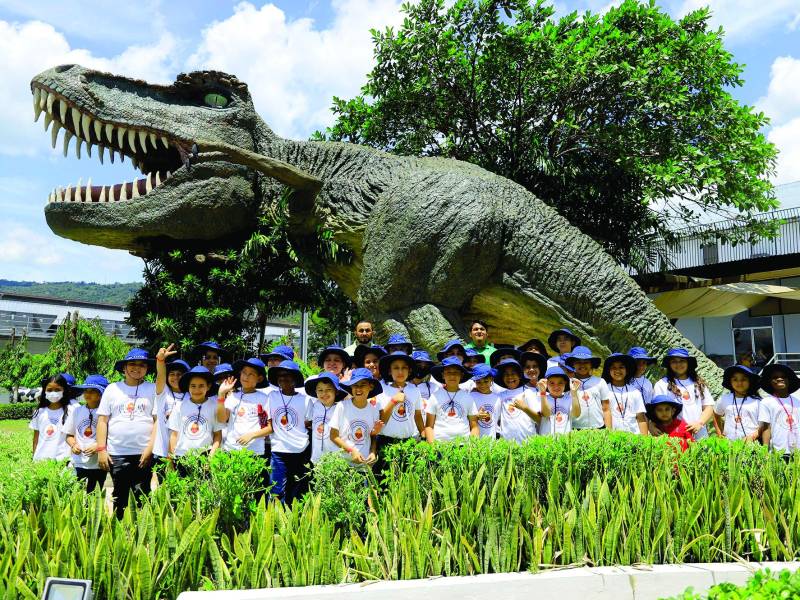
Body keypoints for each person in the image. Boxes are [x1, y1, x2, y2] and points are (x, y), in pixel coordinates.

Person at [96, 348, 157, 519]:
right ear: (124, 368)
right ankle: (119, 533)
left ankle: (141, 533)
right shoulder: (112, 389)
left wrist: (149, 449)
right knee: (120, 494)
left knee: (142, 495)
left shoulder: (152, 389)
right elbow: (102, 421)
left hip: (143, 453)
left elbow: (157, 421)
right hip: (117, 453)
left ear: (147, 369)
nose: (137, 368)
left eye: (142, 365)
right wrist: (101, 449)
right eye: (132, 364)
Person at [265, 360, 312, 504]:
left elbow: (308, 422)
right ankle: (275, 522)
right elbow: (269, 420)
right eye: (280, 376)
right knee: (276, 490)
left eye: (288, 376)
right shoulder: (272, 396)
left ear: (295, 379)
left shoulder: (305, 400)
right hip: (278, 450)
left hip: (300, 451)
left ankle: (293, 522)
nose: (284, 379)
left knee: (297, 490)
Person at [375, 351, 424, 476]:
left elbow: (417, 416)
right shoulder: (383, 389)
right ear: (390, 371)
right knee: (384, 482)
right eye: (396, 368)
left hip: (407, 441)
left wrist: (423, 437)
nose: (400, 372)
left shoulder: (414, 390)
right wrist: (393, 401)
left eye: (404, 368)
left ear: (409, 371)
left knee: (405, 480)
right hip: (386, 441)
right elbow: (382, 420)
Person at [168, 366, 223, 473]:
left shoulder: (214, 406)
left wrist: (211, 456)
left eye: (201, 386)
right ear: (188, 387)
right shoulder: (179, 406)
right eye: (193, 386)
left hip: (205, 456)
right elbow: (174, 435)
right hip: (182, 456)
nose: (197, 390)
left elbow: (218, 435)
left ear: (208, 386)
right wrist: (170, 460)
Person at [653, 348, 714, 439]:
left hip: (700, 434)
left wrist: (699, 423)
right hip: (674, 436)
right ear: (669, 364)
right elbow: (656, 409)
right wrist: (651, 425)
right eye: (674, 361)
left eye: (682, 361)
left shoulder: (698, 383)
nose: (678, 364)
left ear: (688, 363)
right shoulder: (662, 384)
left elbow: (709, 407)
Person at [215, 358, 271, 456]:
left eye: (251, 374)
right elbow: (221, 419)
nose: (246, 377)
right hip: (230, 449)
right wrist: (221, 395)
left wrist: (252, 435)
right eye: (244, 372)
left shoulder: (264, 399)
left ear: (259, 378)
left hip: (254, 452)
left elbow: (270, 428)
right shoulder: (233, 396)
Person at [330, 368, 384, 468]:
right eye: (355, 385)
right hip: (343, 465)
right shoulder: (342, 406)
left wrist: (372, 452)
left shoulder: (373, 410)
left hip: (364, 465)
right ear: (351, 387)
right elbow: (334, 436)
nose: (358, 388)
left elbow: (373, 436)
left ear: (371, 386)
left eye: (363, 384)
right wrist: (351, 451)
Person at [64, 374, 109, 492]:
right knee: (76, 495)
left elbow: (112, 436)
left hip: (98, 464)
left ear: (102, 394)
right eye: (86, 390)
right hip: (78, 462)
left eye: (93, 391)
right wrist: (73, 445)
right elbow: (68, 435)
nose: (88, 394)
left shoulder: (106, 413)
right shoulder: (77, 411)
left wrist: (98, 446)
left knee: (94, 496)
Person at [152, 350, 190, 479]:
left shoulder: (191, 395)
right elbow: (160, 376)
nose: (175, 377)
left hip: (184, 452)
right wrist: (161, 361)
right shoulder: (163, 393)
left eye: (180, 374)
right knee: (165, 493)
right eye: (172, 374)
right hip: (162, 452)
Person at [425, 357, 478, 442]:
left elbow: (474, 426)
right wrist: (433, 447)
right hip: (439, 445)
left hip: (463, 445)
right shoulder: (435, 397)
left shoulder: (468, 398)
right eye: (448, 372)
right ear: (443, 375)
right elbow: (429, 426)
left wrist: (471, 447)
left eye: (456, 372)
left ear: (461, 375)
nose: (452, 376)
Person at [495, 358, 549, 442]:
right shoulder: (500, 396)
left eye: (513, 374)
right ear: (502, 377)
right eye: (506, 374)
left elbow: (539, 420)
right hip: (507, 444)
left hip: (528, 442)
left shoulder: (528, 392)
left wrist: (524, 408)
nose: (510, 377)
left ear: (520, 376)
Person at [305, 372, 347, 465]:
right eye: (320, 390)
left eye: (329, 389)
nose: (324, 393)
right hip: (316, 458)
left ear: (336, 391)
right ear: (315, 391)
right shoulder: (314, 405)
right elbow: (308, 422)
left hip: (335, 459)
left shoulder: (341, 408)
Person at [758, 364, 800, 455]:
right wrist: (765, 451)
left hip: (798, 450)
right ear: (770, 382)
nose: (780, 379)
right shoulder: (766, 402)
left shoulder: (797, 401)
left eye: (784, 377)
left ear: (789, 381)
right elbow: (766, 428)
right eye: (775, 377)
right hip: (778, 451)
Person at [565, 346, 611, 430]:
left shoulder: (600, 382)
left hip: (598, 428)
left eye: (586, 362)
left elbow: (606, 408)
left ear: (591, 364)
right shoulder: (567, 383)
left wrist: (609, 431)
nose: (582, 365)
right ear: (573, 364)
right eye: (578, 362)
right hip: (574, 428)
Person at [601, 353, 647, 434]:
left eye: (621, 367)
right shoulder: (604, 389)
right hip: (611, 437)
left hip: (634, 437)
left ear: (627, 370)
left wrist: (645, 441)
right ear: (609, 370)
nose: (617, 370)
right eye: (613, 367)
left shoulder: (635, 392)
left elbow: (641, 419)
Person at [30, 374, 73, 461]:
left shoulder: (70, 411)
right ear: (44, 391)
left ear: (64, 390)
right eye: (49, 390)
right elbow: (36, 438)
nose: (53, 393)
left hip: (62, 461)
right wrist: (34, 457)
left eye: (57, 390)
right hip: (40, 460)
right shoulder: (39, 412)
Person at [713, 365, 761, 442]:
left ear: (750, 381)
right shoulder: (724, 399)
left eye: (743, 379)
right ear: (730, 382)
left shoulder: (758, 401)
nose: (739, 382)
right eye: (735, 379)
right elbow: (716, 415)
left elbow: (765, 424)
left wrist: (753, 436)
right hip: (729, 444)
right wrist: (719, 434)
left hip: (751, 444)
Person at [538, 366, 581, 436]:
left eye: (560, 383)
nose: (556, 387)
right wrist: (543, 393)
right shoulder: (541, 398)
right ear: (546, 384)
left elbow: (576, 415)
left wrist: (574, 394)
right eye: (552, 383)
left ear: (565, 383)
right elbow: (546, 414)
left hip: (564, 440)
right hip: (546, 440)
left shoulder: (570, 398)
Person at [470, 364, 501, 438]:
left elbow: (497, 419)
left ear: (491, 379)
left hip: (492, 440)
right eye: (478, 382)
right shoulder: (471, 397)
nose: (482, 385)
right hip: (474, 441)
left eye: (486, 381)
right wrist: (476, 417)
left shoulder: (497, 399)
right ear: (474, 382)